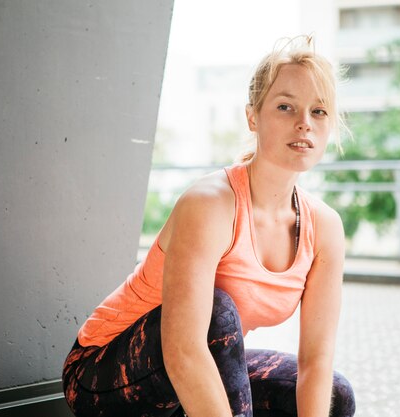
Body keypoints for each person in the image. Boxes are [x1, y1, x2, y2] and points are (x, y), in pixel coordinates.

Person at [62, 35, 355, 417]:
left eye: (318, 111)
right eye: (286, 107)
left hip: (198, 357)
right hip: (102, 371)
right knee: (219, 313)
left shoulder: (325, 228)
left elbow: (315, 362)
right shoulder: (210, 205)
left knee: (335, 394)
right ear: (253, 117)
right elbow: (184, 350)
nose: (304, 124)